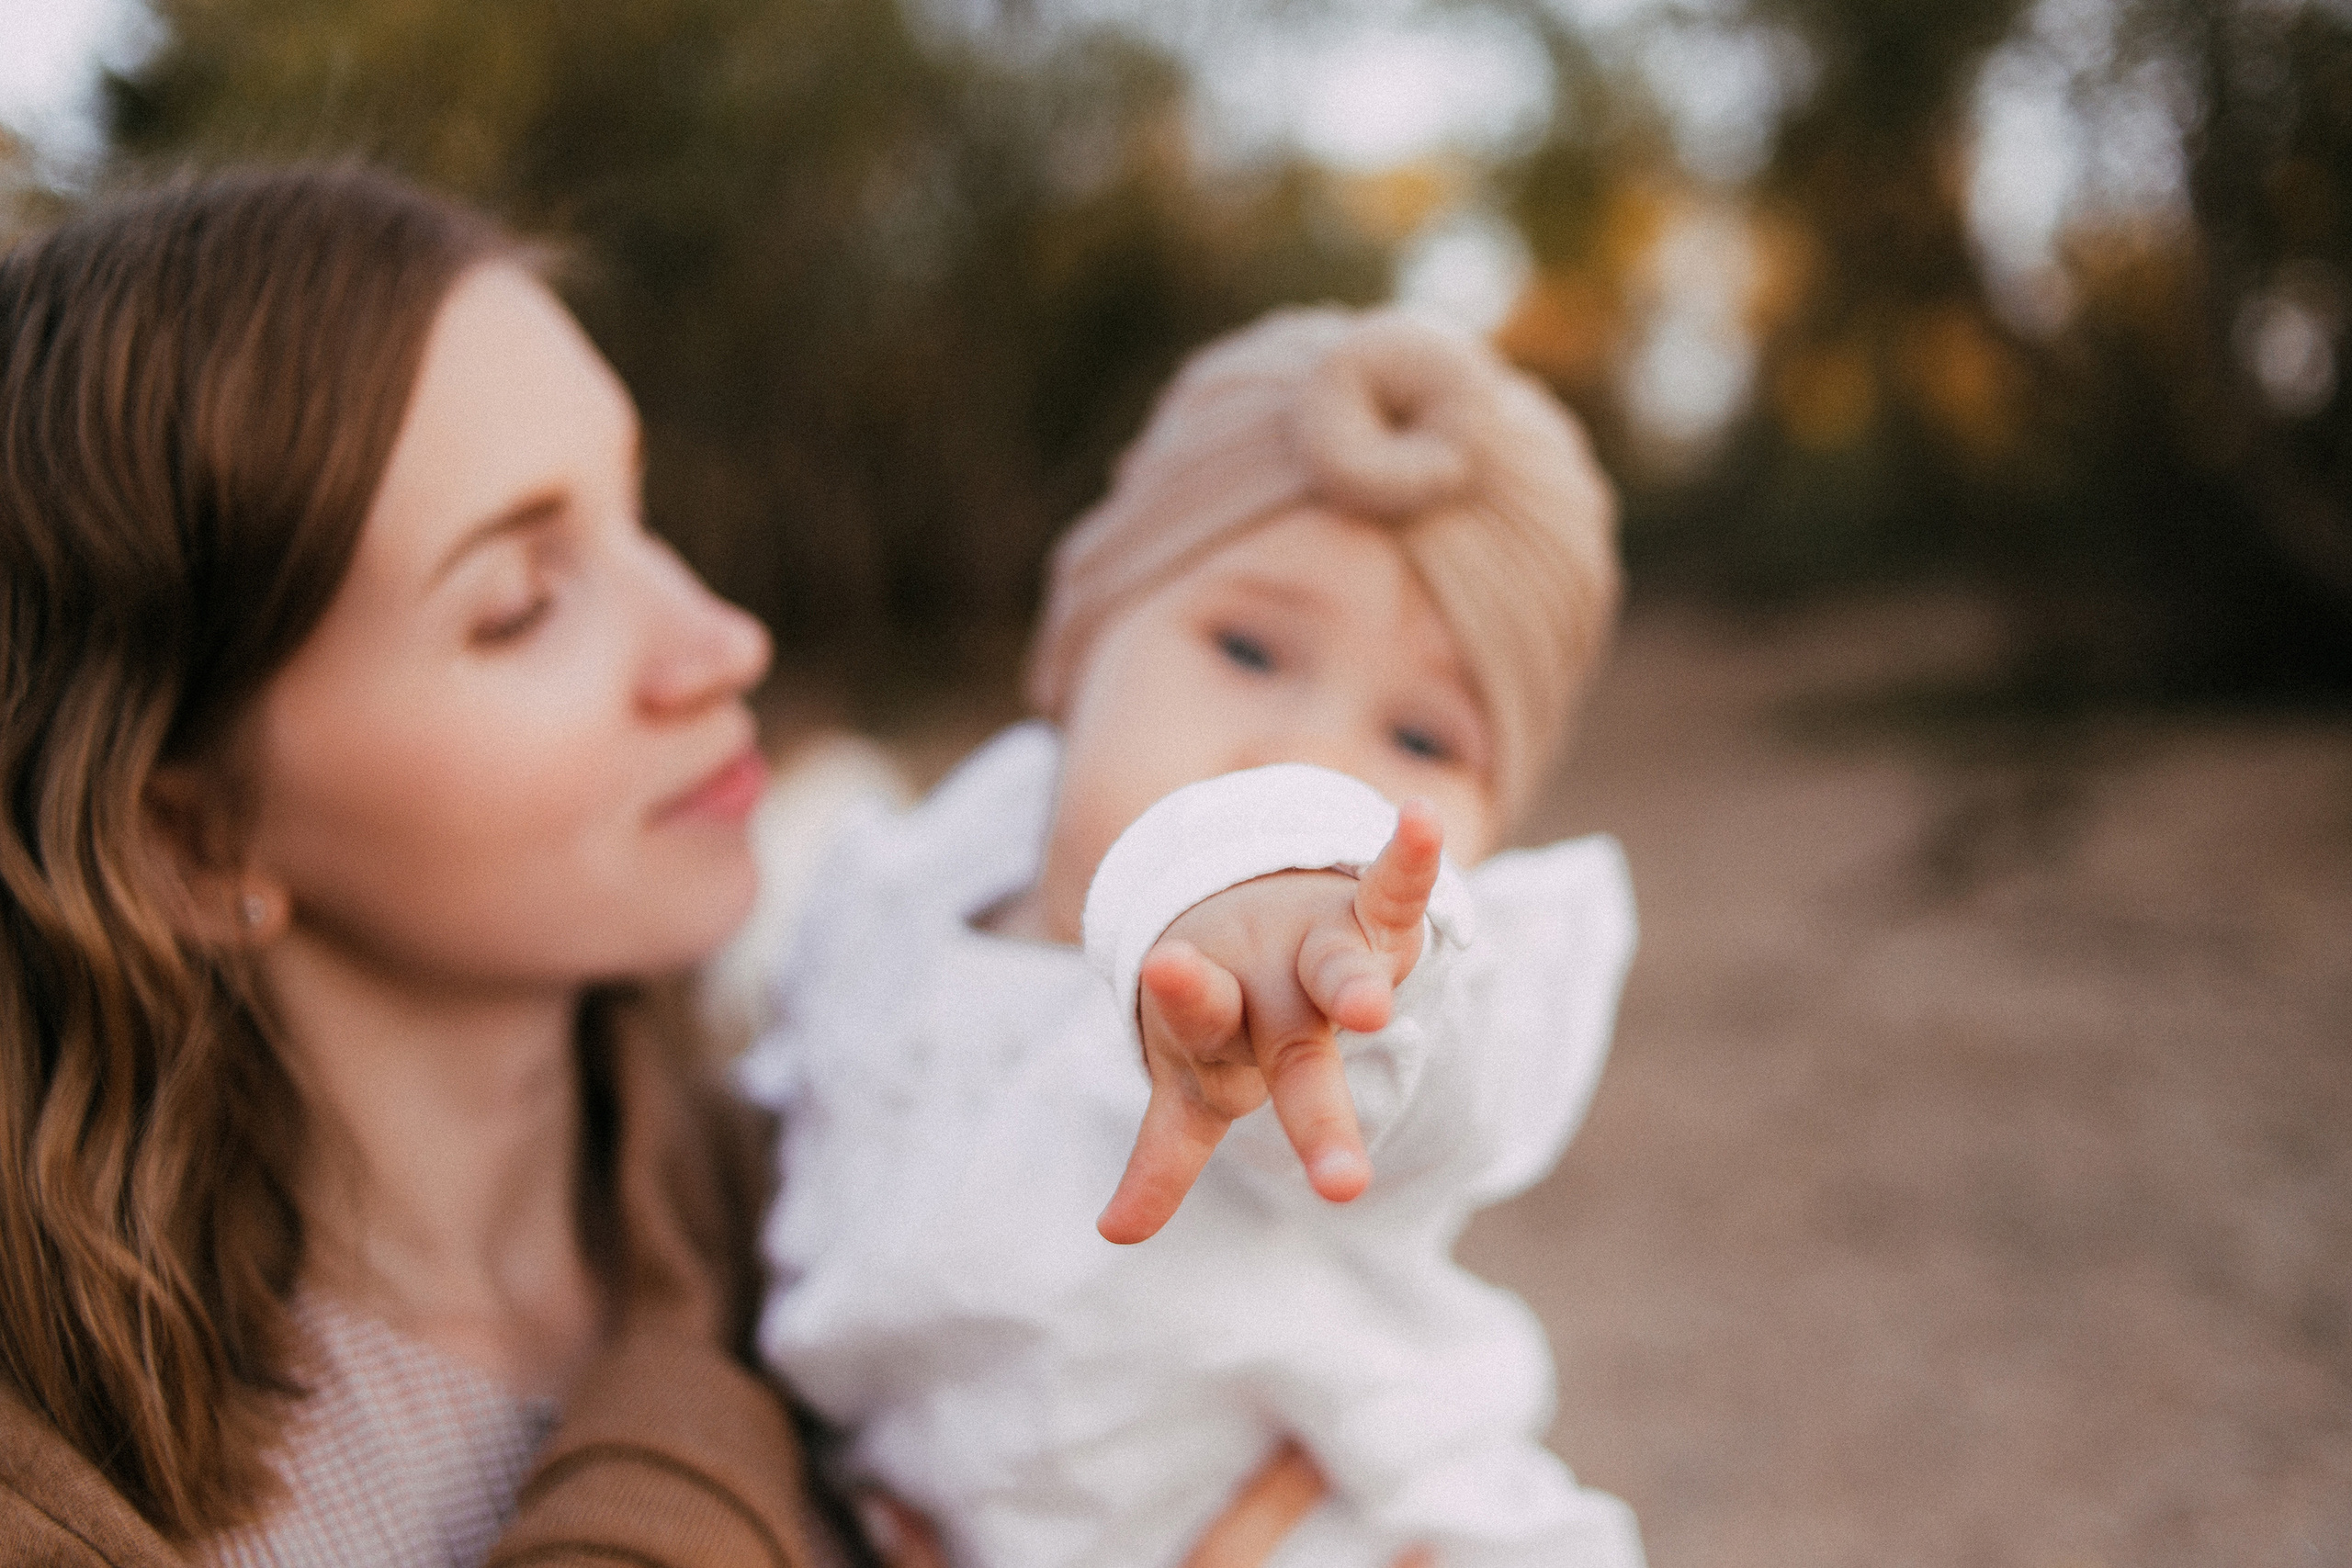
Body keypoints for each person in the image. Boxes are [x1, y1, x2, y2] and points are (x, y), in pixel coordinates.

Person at [0, 164, 1332, 1568]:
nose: (720, 641)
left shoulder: (868, 1206)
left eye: (637, 514)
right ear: (188, 836)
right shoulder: (87, 1506)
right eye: (519, 607)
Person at [742, 308, 1646, 1566]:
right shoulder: (907, 891)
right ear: (1076, 646)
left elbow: (1410, 1067)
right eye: (1246, 647)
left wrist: (1321, 962)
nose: (1307, 755)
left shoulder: (1360, 1009)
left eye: (1424, 739)